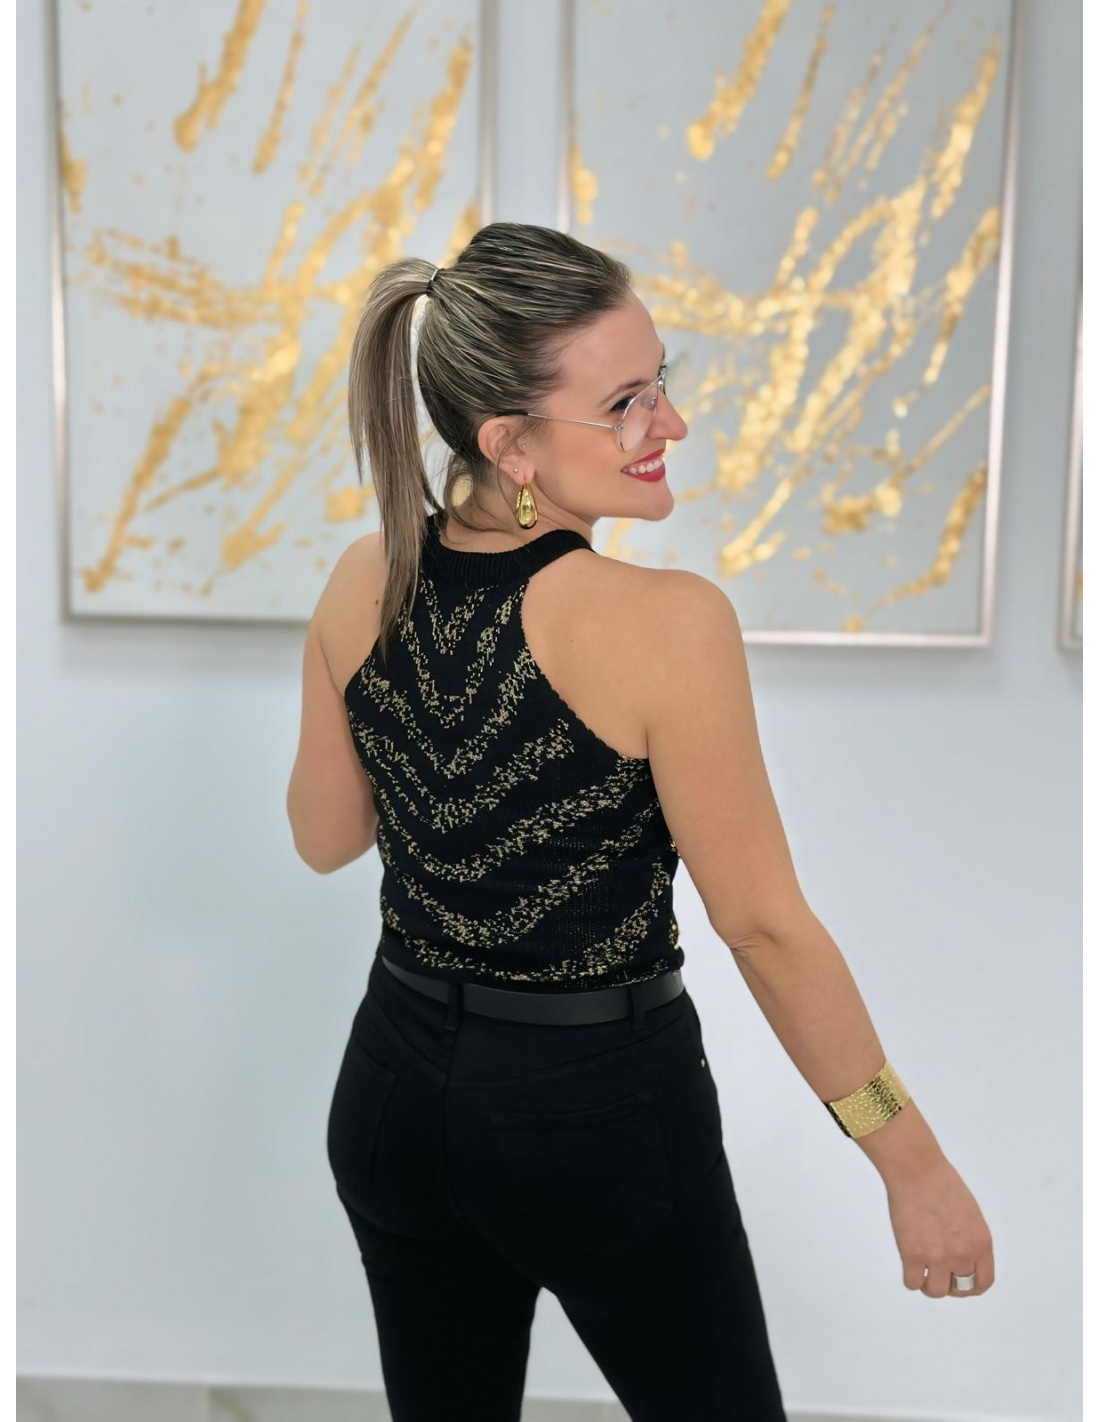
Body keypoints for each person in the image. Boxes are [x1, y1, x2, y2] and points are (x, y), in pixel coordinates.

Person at [287, 222, 995, 1421]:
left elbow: (323, 838)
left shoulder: (365, 576)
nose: (669, 423)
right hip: (597, 1117)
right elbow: (760, 928)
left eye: (658, 381)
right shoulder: (666, 624)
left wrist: (400, 726)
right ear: (508, 443)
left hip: (391, 1092)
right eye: (623, 404)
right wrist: (908, 1162)